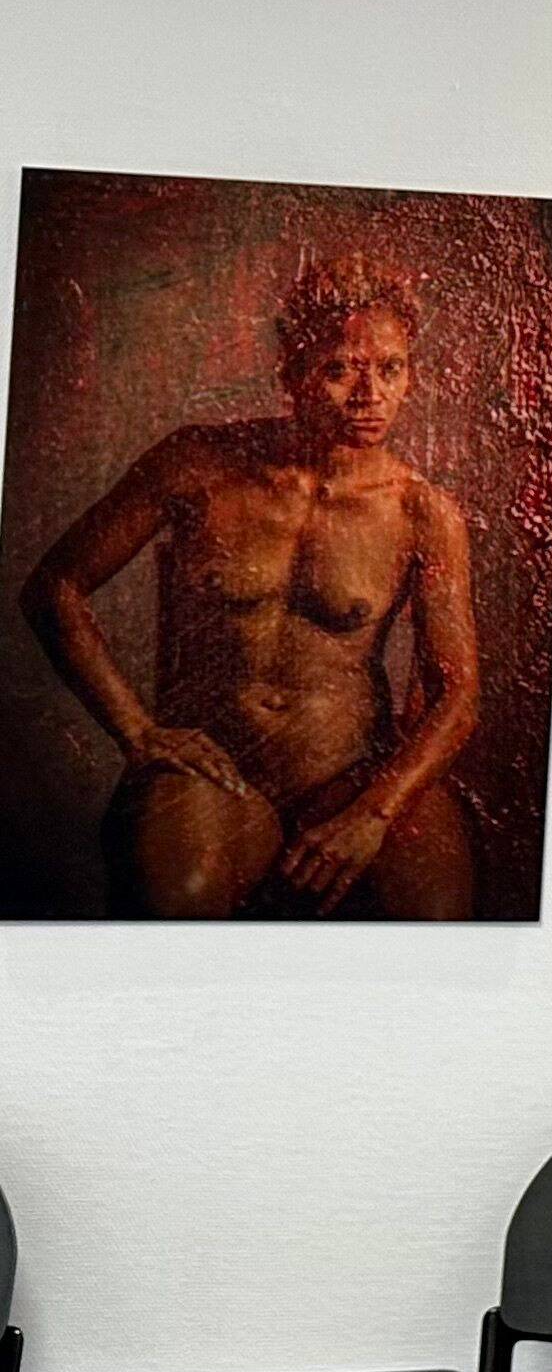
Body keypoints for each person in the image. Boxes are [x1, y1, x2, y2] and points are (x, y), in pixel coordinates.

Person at [18, 254, 479, 920]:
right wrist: (138, 733)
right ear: (291, 375)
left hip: (354, 772)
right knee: (175, 906)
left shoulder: (423, 513)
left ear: (411, 377)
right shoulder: (197, 464)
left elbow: (458, 695)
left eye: (390, 369)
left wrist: (375, 812)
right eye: (339, 369)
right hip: (216, 773)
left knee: (437, 923)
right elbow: (54, 587)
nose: (368, 394)